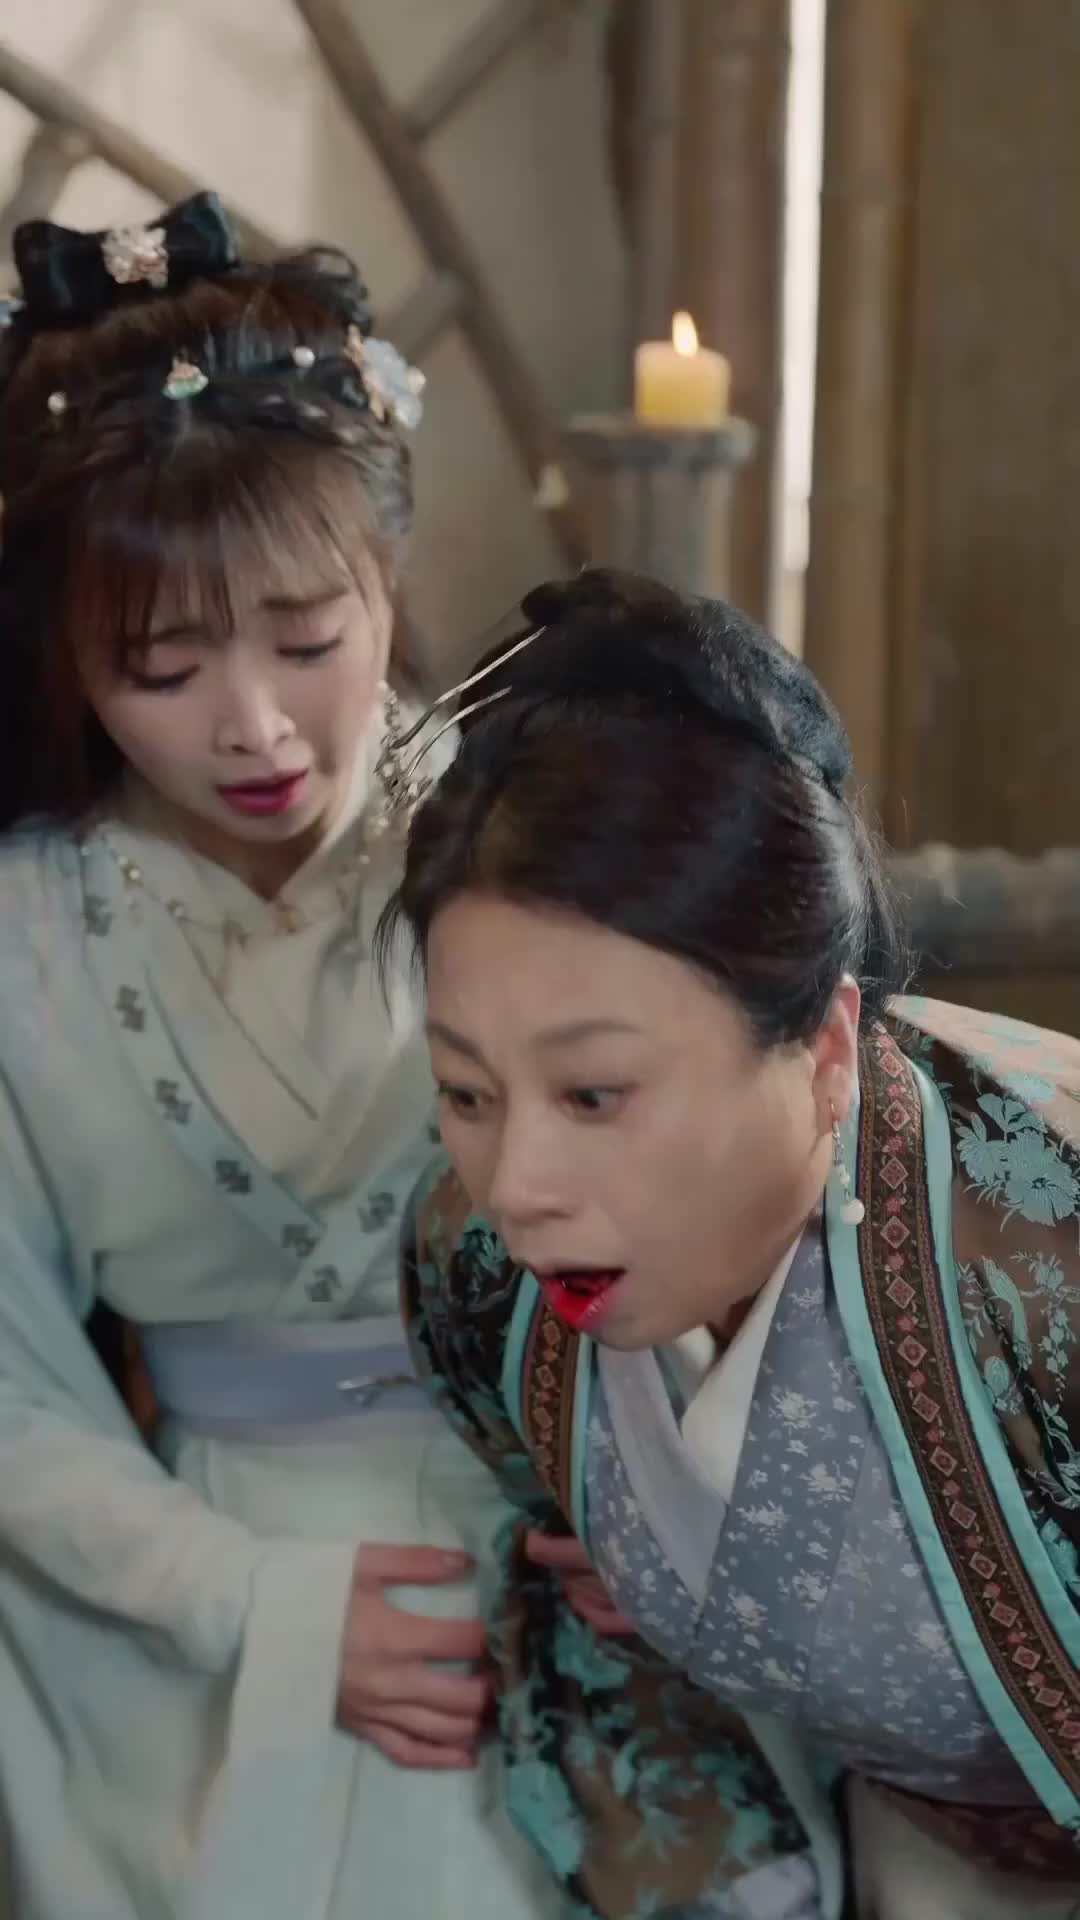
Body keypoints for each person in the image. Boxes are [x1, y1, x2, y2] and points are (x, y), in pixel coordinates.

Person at [0, 193, 561, 1920]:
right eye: (160, 665)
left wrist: (663, 1519)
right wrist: (261, 1606)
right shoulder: (21, 934)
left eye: (309, 641)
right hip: (175, 1587)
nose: (252, 728)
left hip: (577, 1538)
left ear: (388, 575)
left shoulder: (552, 838)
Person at [387, 568, 1080, 1919]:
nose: (517, 1188)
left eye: (596, 1094)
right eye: (467, 1092)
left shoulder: (1039, 1249)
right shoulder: (472, 1268)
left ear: (823, 1051)